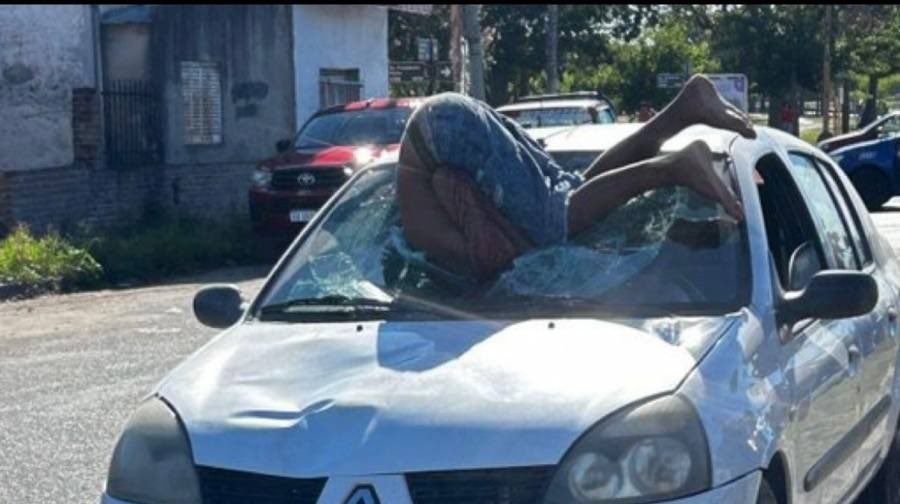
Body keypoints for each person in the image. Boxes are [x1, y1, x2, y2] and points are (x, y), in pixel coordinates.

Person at [396, 74, 756, 283]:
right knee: (575, 194)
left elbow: (503, 257)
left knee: (557, 223)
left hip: (445, 134)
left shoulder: (450, 247)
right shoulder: (427, 232)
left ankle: (673, 167)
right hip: (444, 126)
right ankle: (683, 108)